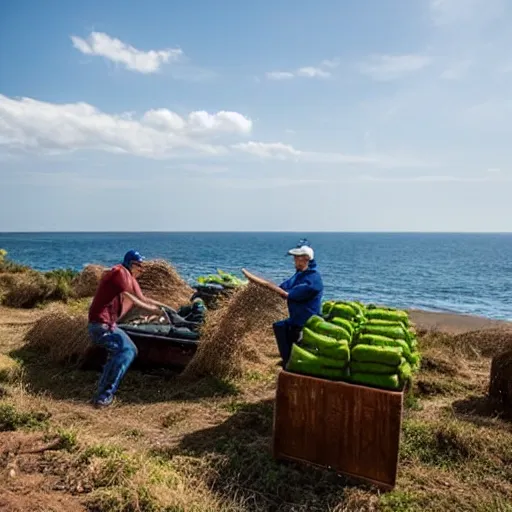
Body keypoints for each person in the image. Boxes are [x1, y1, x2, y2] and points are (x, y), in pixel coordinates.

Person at [88, 250, 166, 407]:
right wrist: (154, 311)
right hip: (101, 326)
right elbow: (134, 299)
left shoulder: (129, 277)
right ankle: (104, 396)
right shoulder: (120, 272)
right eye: (140, 266)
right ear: (131, 264)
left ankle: (102, 392)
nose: (142, 270)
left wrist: (166, 308)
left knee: (123, 351)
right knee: (127, 351)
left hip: (108, 325)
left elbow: (143, 298)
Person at [272, 241, 324, 367]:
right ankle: (287, 360)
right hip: (296, 318)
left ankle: (293, 365)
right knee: (279, 326)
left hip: (306, 321)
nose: (294, 260)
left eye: (297, 258)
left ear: (306, 259)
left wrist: (289, 294)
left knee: (299, 345)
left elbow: (310, 289)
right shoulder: (300, 275)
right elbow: (287, 285)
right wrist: (277, 289)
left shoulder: (313, 277)